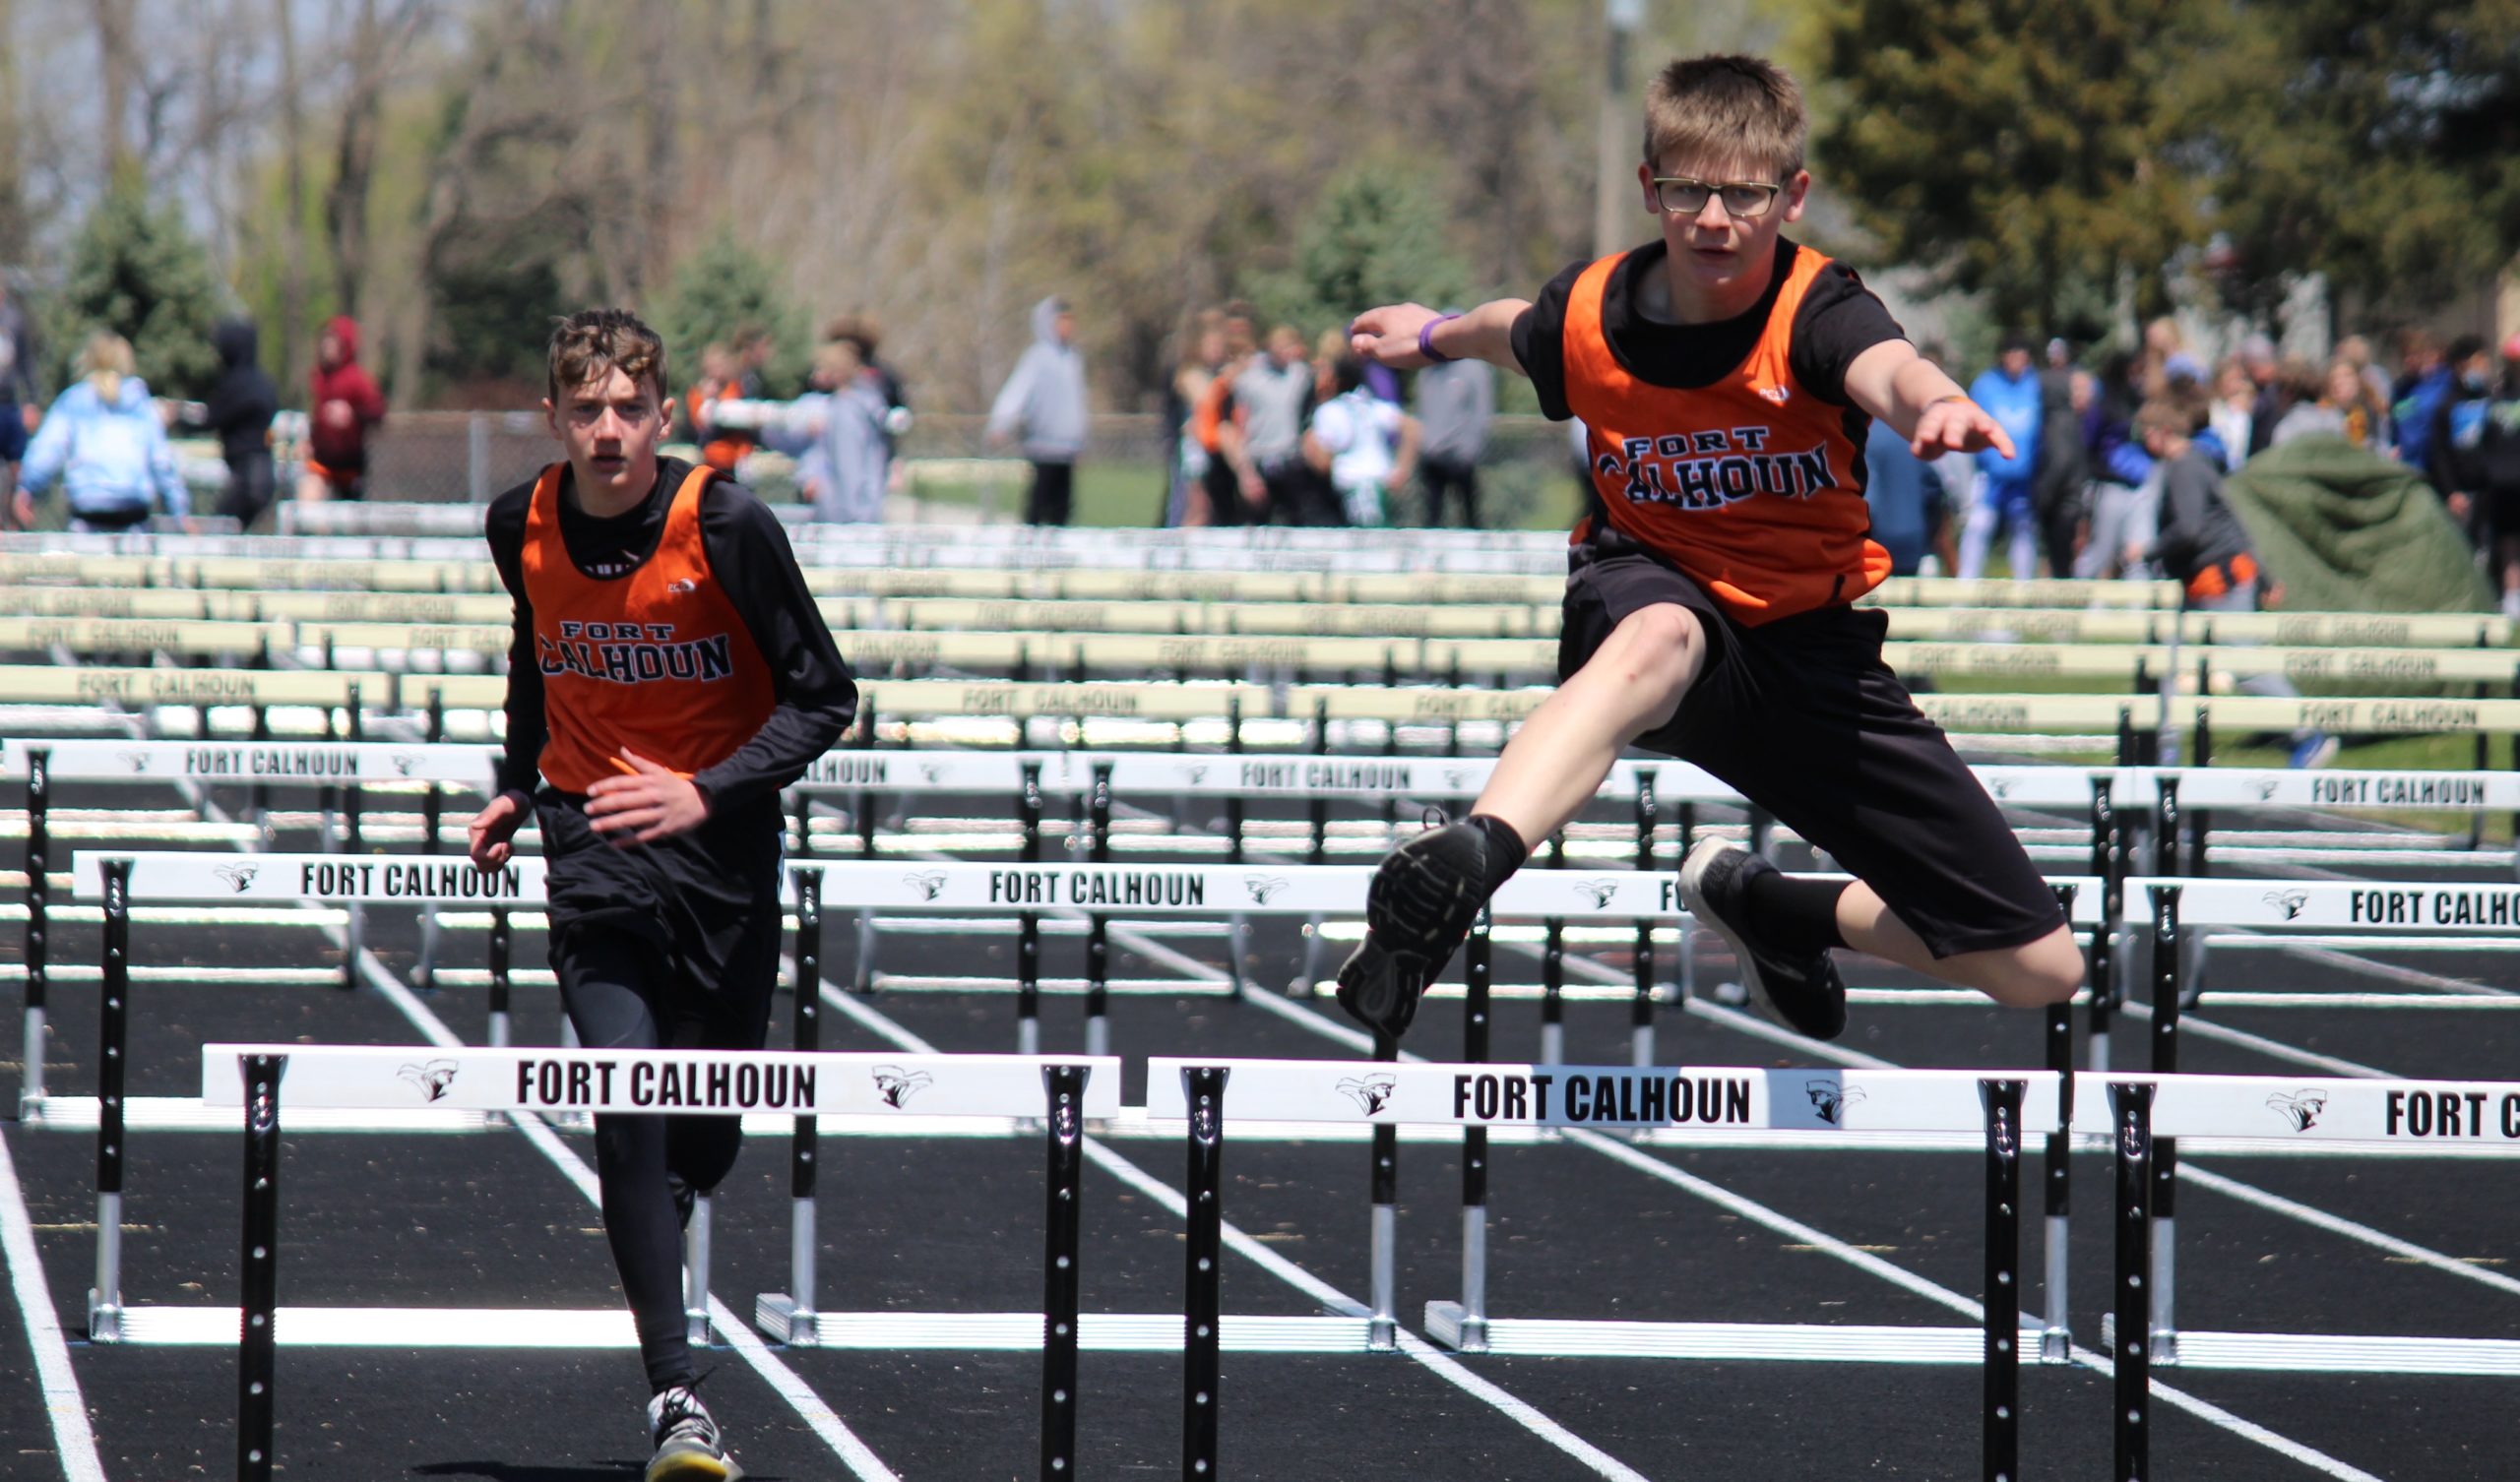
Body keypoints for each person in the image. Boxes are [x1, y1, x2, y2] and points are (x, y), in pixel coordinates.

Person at [1334, 52, 2082, 1048]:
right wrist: (1428, 336)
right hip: (1654, 592)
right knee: (1660, 634)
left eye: (1744, 194)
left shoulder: (1816, 313)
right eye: (1688, 191)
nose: (1715, 220)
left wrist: (1935, 405)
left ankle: (1771, 908)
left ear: (1791, 196)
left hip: (1806, 648)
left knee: (2040, 968)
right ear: (1651, 189)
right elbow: (1510, 330)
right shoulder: (1590, 316)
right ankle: (1468, 861)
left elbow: (1890, 369)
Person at [467, 308, 855, 1482]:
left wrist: (705, 792)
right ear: (552, 418)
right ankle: (677, 1399)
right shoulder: (517, 523)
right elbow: (535, 656)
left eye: (628, 408)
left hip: (721, 858)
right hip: (589, 850)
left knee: (701, 1132)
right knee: (626, 1100)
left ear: (664, 414)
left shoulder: (726, 522)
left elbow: (824, 699)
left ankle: (669, 1193)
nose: (607, 430)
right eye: (584, 409)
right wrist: (516, 785)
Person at [2126, 398, 2335, 769]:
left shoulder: (2184, 468)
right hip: (2205, 580)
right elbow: (2233, 519)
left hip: (2219, 579)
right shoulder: (2196, 463)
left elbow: (2190, 530)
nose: (2144, 442)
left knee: (2244, 662)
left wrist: (2147, 551)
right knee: (2167, 657)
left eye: (2146, 434)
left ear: (2162, 432)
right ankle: (2165, 745)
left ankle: (2308, 734)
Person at [15, 332, 189, 532]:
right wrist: (180, 510)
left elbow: (48, 451)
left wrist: (27, 489)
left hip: (86, 517)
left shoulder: (73, 401)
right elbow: (162, 462)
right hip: (134, 519)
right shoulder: (141, 405)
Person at [985, 295, 1089, 525]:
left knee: (1063, 507)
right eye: (1062, 320)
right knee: (1040, 503)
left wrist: (1080, 437)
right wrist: (1001, 423)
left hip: (1068, 447)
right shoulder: (1038, 357)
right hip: (1043, 445)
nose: (1067, 327)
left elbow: (1078, 402)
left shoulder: (1072, 358)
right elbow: (1017, 391)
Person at [1959, 334, 2044, 578]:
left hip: (2024, 478)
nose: (2016, 359)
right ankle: (1966, 588)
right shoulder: (1985, 385)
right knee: (1978, 526)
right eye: (2011, 353)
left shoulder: (2035, 385)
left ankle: (2023, 590)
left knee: (2024, 531)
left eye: (2021, 353)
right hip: (1990, 476)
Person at [1304, 352, 1419, 526]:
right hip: (1380, 481)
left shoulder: (1329, 411)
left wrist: (1308, 443)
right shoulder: (1370, 405)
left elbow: (1323, 463)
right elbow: (1412, 427)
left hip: (1353, 486)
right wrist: (1402, 469)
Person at [1226, 326, 1317, 525]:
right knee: (1256, 521)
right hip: (1259, 455)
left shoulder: (1301, 375)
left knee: (1298, 519)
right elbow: (1239, 419)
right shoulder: (1248, 378)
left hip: (1289, 456)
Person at [1415, 324, 1495, 527]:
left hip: (1461, 454)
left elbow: (1481, 410)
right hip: (1434, 453)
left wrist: (1470, 448)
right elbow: (1423, 409)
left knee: (1469, 513)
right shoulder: (1429, 371)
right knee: (1432, 514)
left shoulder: (1474, 370)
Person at [298, 315, 386, 502]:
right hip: (321, 461)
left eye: (333, 342)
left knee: (347, 515)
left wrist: (351, 414)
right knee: (309, 505)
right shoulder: (319, 378)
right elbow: (317, 416)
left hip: (349, 464)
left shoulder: (357, 380)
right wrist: (310, 439)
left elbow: (377, 412)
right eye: (325, 341)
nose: (327, 347)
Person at [202, 319, 279, 528]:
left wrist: (177, 419)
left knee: (221, 530)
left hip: (249, 477)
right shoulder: (263, 382)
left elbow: (210, 419)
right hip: (262, 474)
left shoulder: (237, 385)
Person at [2030, 343, 2090, 575]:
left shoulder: (2057, 423)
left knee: (2061, 563)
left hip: (2062, 502)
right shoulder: (2070, 421)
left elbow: (2060, 462)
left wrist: (2042, 495)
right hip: (2069, 498)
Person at [1860, 415, 1944, 577]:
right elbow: (1934, 490)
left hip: (1875, 544)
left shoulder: (1863, 434)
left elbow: (1868, 501)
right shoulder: (1911, 433)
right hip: (1914, 541)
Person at [0, 277, 38, 525]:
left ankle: (16, 519)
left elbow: (27, 364)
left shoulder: (14, 321)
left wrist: (32, 402)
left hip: (9, 405)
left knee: (19, 468)